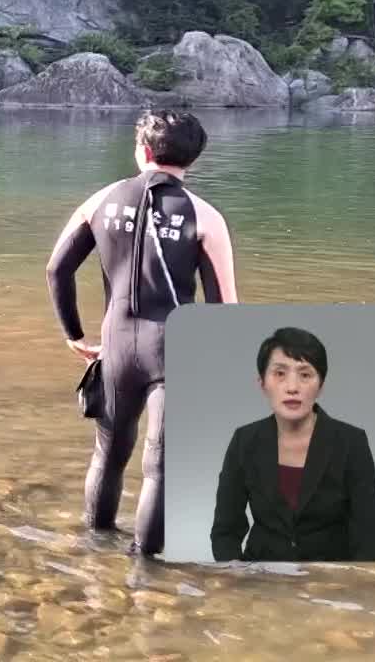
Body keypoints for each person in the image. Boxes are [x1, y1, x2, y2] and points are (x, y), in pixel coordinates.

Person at [44, 109, 240, 559]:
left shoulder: (100, 201)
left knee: (108, 455)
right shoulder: (205, 217)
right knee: (161, 467)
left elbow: (57, 269)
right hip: (173, 351)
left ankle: (93, 555)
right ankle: (146, 576)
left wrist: (73, 334)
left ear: (143, 151)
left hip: (114, 345)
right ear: (192, 160)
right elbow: (225, 308)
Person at [210, 327, 375, 562]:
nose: (292, 387)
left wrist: (349, 590)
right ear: (262, 383)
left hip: (330, 585)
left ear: (321, 385)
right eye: (280, 374)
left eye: (305, 375)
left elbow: (370, 537)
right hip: (261, 578)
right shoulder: (244, 441)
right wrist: (239, 583)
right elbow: (225, 531)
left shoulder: (351, 443)